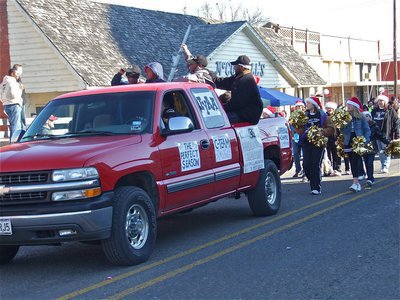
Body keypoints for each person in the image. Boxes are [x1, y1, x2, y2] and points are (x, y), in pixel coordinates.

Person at [295, 96, 334, 195]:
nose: (306, 105)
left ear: (314, 105)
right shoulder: (304, 115)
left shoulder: (323, 115)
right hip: (306, 142)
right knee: (306, 165)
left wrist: (322, 132)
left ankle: (315, 186)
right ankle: (311, 178)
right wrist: (297, 125)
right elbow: (299, 130)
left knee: (316, 164)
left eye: (308, 103)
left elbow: (332, 129)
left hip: (318, 143)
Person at [212, 55, 263, 124]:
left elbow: (237, 103)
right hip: (241, 111)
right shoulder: (239, 77)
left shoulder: (246, 81)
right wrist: (211, 76)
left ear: (241, 67)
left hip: (247, 115)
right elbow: (224, 82)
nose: (234, 67)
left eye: (235, 66)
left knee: (218, 121)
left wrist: (221, 108)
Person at [341, 97, 371, 192]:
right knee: (351, 161)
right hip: (348, 140)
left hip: (357, 140)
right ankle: (356, 183)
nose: (348, 106)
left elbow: (367, 129)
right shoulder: (345, 116)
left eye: (349, 105)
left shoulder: (361, 116)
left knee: (356, 160)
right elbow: (342, 131)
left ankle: (355, 182)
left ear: (354, 106)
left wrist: (365, 140)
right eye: (347, 105)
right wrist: (341, 123)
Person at [371, 94, 399, 173]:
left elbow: (396, 122)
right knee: (380, 151)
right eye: (379, 101)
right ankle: (383, 165)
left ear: (385, 102)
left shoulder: (390, 110)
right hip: (376, 134)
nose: (380, 102)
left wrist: (397, 134)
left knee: (386, 150)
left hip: (386, 134)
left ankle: (385, 166)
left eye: (382, 101)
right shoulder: (374, 111)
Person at [361, 111, 389, 187]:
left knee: (370, 162)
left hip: (372, 147)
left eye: (367, 116)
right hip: (362, 147)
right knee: (366, 162)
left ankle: (370, 178)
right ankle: (366, 175)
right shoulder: (360, 126)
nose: (366, 118)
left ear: (370, 117)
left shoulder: (374, 126)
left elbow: (380, 136)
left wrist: (388, 143)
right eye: (364, 116)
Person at [1, 67, 24, 141]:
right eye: (17, 73)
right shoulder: (13, 81)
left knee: (12, 125)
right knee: (16, 125)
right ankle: (16, 141)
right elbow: (14, 94)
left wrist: (4, 101)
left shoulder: (3, 83)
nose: (18, 75)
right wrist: (20, 89)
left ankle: (12, 140)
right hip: (14, 104)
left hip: (6, 105)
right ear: (12, 73)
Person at [324, 101, 342, 176]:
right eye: (327, 108)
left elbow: (340, 127)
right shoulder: (324, 117)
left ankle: (337, 168)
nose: (328, 110)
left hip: (336, 137)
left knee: (336, 154)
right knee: (327, 155)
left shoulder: (337, 116)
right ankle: (328, 169)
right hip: (327, 137)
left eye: (330, 108)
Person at [291, 100, 305, 178]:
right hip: (295, 137)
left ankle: (304, 170)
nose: (299, 108)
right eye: (297, 106)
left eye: (300, 106)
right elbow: (290, 125)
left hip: (303, 137)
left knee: (305, 154)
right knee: (296, 154)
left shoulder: (305, 115)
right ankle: (298, 170)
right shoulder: (292, 116)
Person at [13, 64, 27, 129]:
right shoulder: (13, 78)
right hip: (18, 102)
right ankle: (21, 135)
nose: (21, 72)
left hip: (22, 101)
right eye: (20, 70)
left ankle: (23, 133)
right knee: (19, 120)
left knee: (23, 119)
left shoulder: (18, 78)